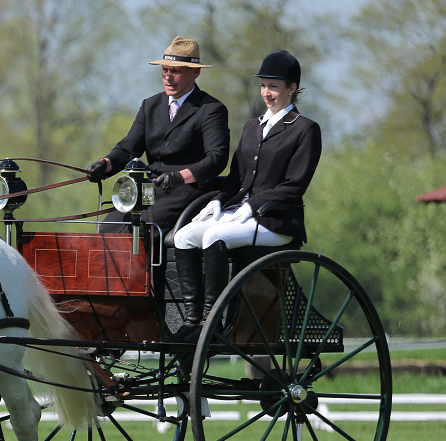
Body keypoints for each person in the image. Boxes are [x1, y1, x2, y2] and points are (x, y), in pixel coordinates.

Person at [172, 50, 323, 342]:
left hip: (276, 221)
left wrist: (253, 206)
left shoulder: (305, 129)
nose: (267, 93)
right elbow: (237, 178)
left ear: (292, 89)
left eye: (274, 86)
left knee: (214, 237)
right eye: (263, 85)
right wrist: (216, 201)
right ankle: (193, 320)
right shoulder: (252, 127)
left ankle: (214, 324)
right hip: (239, 214)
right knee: (183, 236)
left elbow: (295, 185)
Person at [87, 36, 230, 239]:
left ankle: (147, 271)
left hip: (187, 190)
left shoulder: (211, 109)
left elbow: (217, 158)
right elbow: (129, 148)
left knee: (144, 229)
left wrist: (180, 176)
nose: (168, 77)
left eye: (176, 71)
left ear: (195, 72)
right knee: (108, 226)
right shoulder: (150, 105)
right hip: (149, 189)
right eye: (165, 70)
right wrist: (105, 163)